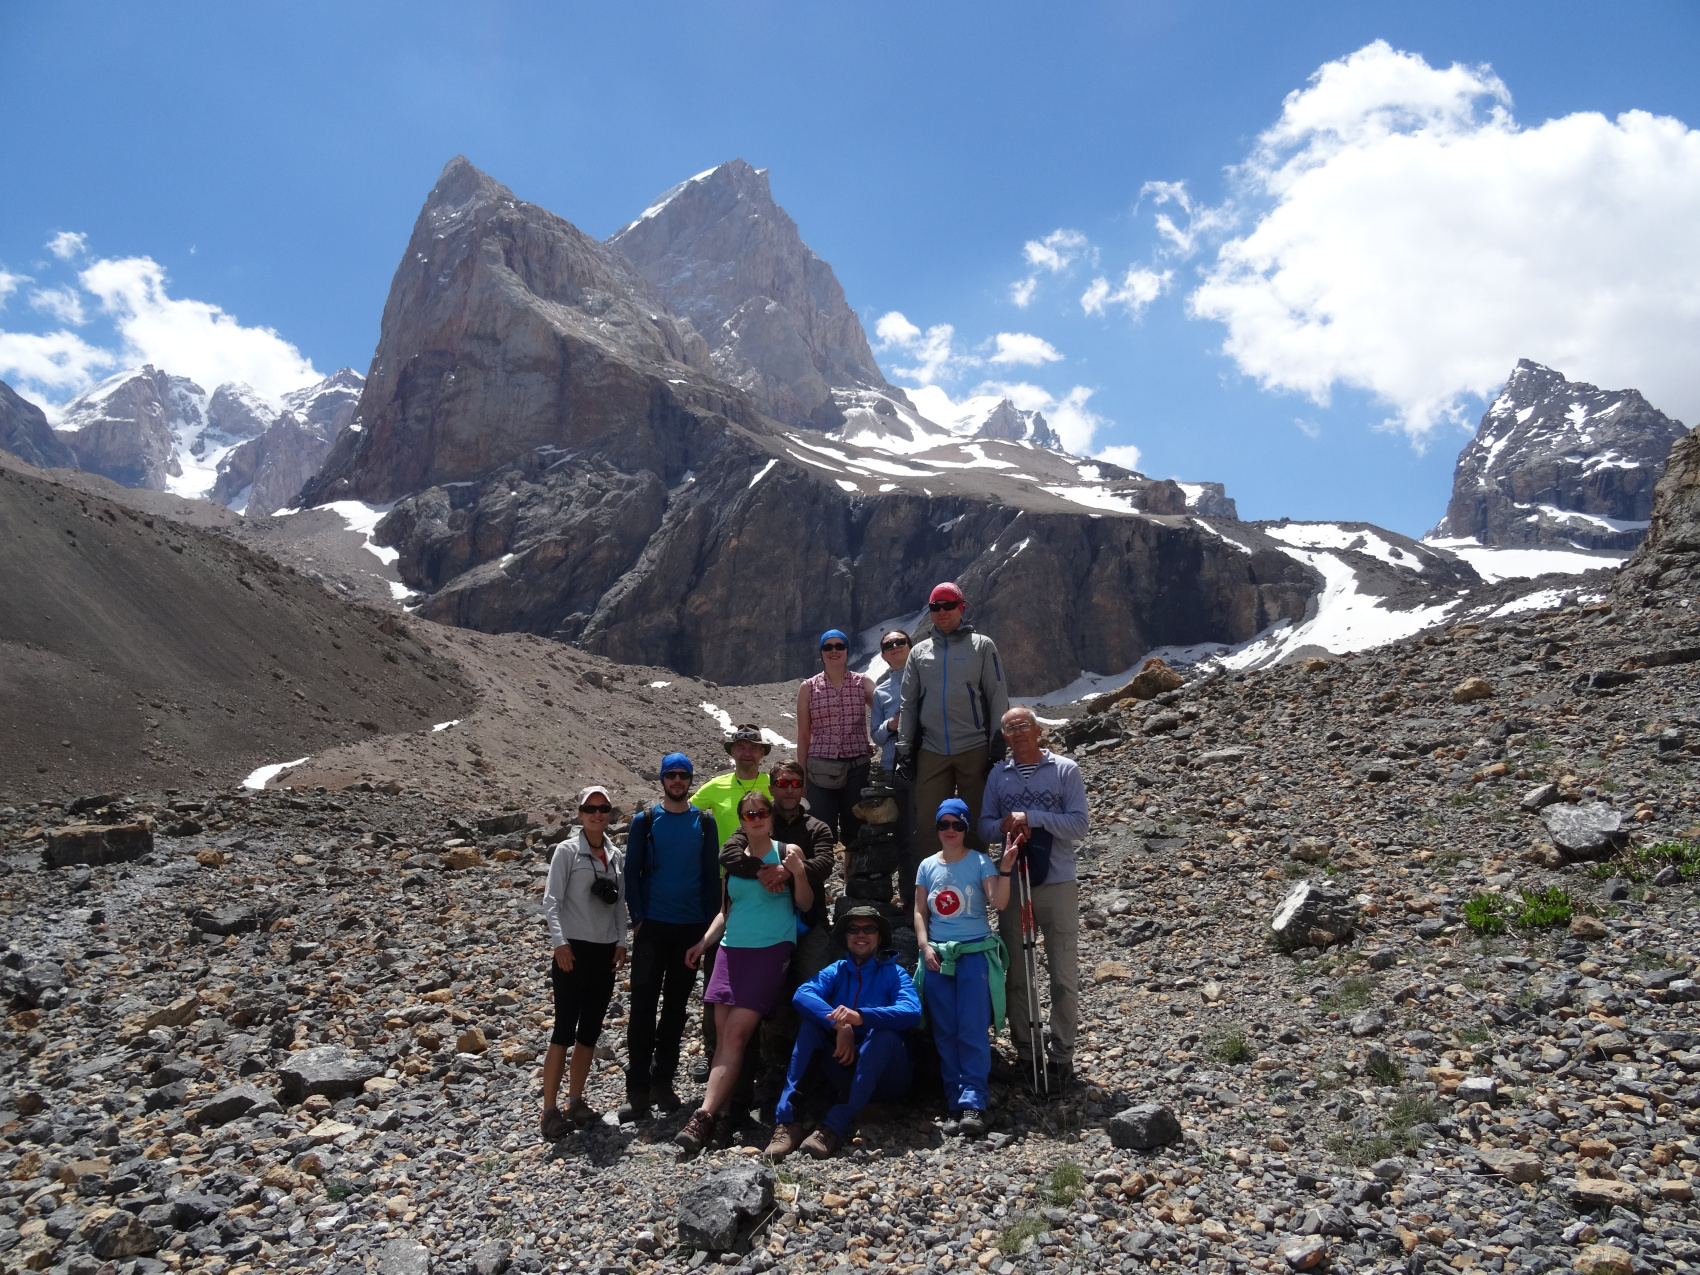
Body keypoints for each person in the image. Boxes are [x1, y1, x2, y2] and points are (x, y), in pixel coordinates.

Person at [675, 790, 814, 1152]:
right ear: (741, 821)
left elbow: (805, 903)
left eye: (762, 813)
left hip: (769, 950)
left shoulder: (787, 852)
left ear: (770, 816)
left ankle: (702, 1115)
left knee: (735, 1037)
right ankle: (721, 1120)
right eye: (750, 814)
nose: (757, 818)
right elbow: (727, 909)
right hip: (730, 950)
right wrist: (704, 942)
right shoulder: (734, 862)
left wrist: (797, 872)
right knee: (725, 1040)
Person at [980, 705, 1091, 1086]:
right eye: (1011, 728)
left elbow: (1079, 824)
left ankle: (1062, 1057)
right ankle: (1027, 1053)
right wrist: (1006, 827)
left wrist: (1032, 818)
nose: (1019, 732)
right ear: (1005, 738)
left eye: (1025, 725)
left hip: (1057, 882)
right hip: (1014, 882)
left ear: (1038, 730)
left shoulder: (1065, 770)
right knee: (1017, 973)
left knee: (1062, 972)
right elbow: (984, 827)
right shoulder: (998, 775)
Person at [766, 905, 921, 1160]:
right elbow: (803, 994)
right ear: (846, 937)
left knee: (883, 1035)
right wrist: (840, 1025)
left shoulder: (895, 973)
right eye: (853, 929)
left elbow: (911, 1011)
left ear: (879, 936)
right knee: (812, 1025)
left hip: (888, 1076)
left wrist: (860, 1017)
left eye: (869, 929)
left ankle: (831, 1127)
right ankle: (789, 1122)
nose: (861, 934)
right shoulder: (836, 970)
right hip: (844, 1065)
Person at [720, 759, 837, 1083]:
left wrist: (789, 872)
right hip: (765, 932)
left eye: (794, 784)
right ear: (771, 788)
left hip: (807, 924)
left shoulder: (818, 828)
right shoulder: (759, 818)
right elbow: (728, 854)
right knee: (767, 998)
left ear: (803, 787)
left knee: (811, 994)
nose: (788, 790)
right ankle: (768, 1067)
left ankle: (811, 1067)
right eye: (782, 784)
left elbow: (825, 862)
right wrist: (763, 872)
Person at [620, 752, 722, 1121]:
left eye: (683, 775)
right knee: (642, 1009)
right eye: (671, 775)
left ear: (690, 780)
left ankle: (664, 1082)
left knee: (676, 1010)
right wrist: (639, 919)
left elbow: (712, 877)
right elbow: (631, 874)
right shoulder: (644, 821)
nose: (677, 781)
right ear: (662, 780)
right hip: (653, 929)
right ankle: (638, 1091)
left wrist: (709, 929)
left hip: (690, 930)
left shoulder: (704, 824)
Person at [912, 797, 1019, 1139]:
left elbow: (998, 901)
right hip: (937, 957)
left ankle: (974, 1102)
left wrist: (1005, 868)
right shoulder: (927, 866)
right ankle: (955, 1102)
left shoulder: (980, 861)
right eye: (944, 824)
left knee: (971, 1028)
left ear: (966, 827)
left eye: (957, 825)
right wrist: (924, 945)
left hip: (974, 954)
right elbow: (919, 911)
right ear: (937, 828)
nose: (950, 831)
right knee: (945, 1030)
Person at [896, 582, 1010, 867]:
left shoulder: (982, 646)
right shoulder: (919, 652)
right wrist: (904, 747)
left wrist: (997, 743)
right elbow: (908, 703)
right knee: (927, 824)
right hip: (932, 748)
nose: (942, 611)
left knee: (975, 823)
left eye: (948, 605)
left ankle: (973, 887)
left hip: (975, 746)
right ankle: (933, 890)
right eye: (935, 606)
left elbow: (997, 694)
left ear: (961, 607)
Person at [539, 785, 629, 1138]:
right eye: (590, 808)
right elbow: (551, 901)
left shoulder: (614, 854)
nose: (597, 814)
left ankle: (574, 1101)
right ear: (579, 812)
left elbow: (619, 904)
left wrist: (622, 942)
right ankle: (549, 1110)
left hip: (605, 952)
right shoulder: (566, 851)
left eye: (603, 808)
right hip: (573, 951)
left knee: (590, 1031)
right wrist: (559, 944)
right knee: (563, 1030)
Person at [688, 724, 774, 1079]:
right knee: (718, 969)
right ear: (732, 751)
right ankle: (715, 1050)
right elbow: (686, 811)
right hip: (725, 884)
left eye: (753, 747)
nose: (747, 752)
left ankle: (761, 1052)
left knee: (764, 963)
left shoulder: (773, 784)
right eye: (740, 747)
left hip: (767, 885)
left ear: (762, 753)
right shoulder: (716, 786)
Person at [796, 629, 876, 845]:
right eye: (827, 647)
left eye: (839, 646)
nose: (834, 651)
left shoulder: (863, 683)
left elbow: (884, 709)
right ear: (821, 652)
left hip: (856, 768)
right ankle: (818, 876)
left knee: (856, 829)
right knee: (820, 831)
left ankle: (853, 877)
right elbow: (803, 735)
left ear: (847, 651)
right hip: (820, 770)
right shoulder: (808, 687)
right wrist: (801, 777)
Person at [869, 628, 917, 911]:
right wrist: (890, 725)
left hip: (928, 766)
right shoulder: (882, 691)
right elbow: (875, 735)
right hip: (894, 769)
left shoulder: (926, 680)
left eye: (900, 642)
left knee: (931, 832)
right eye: (889, 645)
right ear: (883, 654)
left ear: (911, 646)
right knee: (904, 837)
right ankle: (910, 901)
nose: (895, 647)